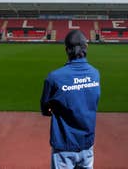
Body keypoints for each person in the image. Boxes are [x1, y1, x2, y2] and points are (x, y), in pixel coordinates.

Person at [41, 30, 101, 169]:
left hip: (64, 145)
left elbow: (45, 109)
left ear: (66, 50)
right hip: (87, 144)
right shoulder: (95, 74)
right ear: (86, 48)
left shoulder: (54, 77)